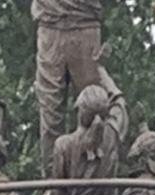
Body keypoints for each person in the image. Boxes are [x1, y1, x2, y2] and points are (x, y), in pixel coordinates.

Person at [32, 0, 105, 176]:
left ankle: (97, 177)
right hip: (49, 24)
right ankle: (52, 182)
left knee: (95, 105)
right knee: (50, 111)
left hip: (85, 21)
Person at [49, 78, 129, 195]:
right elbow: (120, 105)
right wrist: (101, 73)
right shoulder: (112, 135)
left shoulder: (63, 145)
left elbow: (58, 194)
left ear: (80, 112)